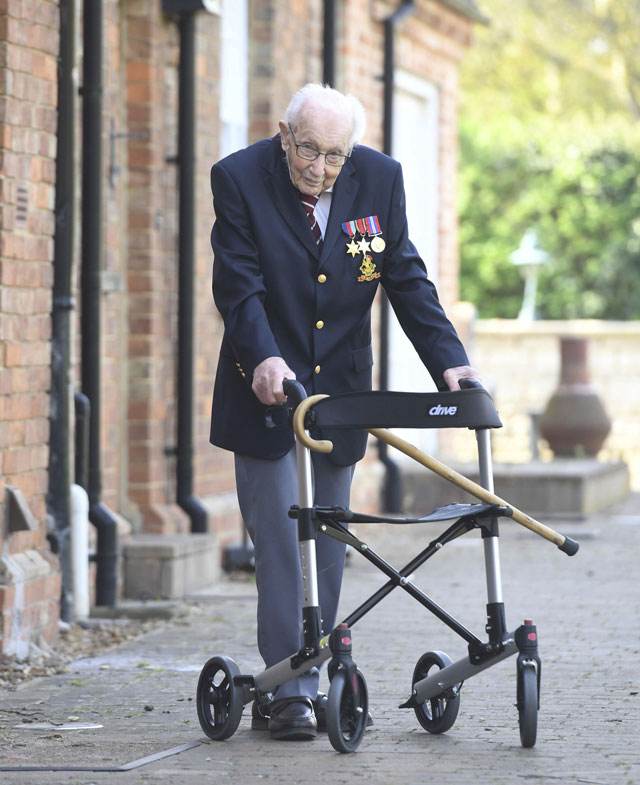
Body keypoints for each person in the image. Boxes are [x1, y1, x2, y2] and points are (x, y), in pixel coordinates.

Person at [209, 83, 479, 741]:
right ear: (284, 135)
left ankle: (314, 667)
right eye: (308, 150)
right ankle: (292, 690)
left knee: (329, 540)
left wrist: (451, 361)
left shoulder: (379, 179)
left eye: (334, 156)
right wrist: (266, 359)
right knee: (280, 538)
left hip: (342, 394)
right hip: (266, 388)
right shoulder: (239, 178)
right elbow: (239, 287)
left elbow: (406, 277)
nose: (319, 168)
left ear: (350, 152)